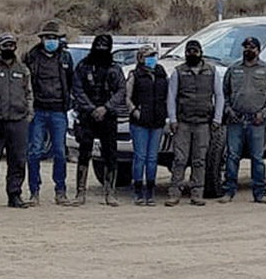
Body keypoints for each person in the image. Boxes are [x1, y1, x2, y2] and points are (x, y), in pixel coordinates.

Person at [218, 36, 266, 204]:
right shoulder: (233, 68)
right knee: (232, 157)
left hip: (256, 121)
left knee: (257, 158)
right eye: (246, 47)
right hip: (236, 120)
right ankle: (229, 191)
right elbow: (225, 93)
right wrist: (229, 110)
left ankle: (260, 193)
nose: (248, 50)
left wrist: (263, 114)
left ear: (258, 50)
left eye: (252, 47)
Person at [165, 39, 224, 207]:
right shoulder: (178, 72)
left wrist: (217, 118)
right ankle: (174, 193)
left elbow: (219, 96)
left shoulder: (212, 71)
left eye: (194, 51)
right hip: (183, 122)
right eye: (189, 52)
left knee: (200, 160)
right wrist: (173, 119)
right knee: (180, 159)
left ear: (201, 53)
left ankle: (197, 194)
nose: (192, 54)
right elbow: (171, 97)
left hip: (204, 123)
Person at [24, 19, 74, 206]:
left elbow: (71, 82)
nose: (51, 41)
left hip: (59, 111)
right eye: (47, 38)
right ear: (42, 39)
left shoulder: (65, 58)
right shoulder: (31, 57)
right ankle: (34, 192)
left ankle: (60, 191)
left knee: (60, 152)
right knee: (34, 152)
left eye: (54, 38)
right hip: (37, 111)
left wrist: (69, 103)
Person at [72, 34, 127, 207]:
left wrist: (106, 108)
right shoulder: (83, 66)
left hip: (108, 116)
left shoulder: (115, 68)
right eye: (99, 45)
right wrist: (91, 108)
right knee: (84, 153)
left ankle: (110, 193)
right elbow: (77, 89)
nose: (101, 49)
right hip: (87, 115)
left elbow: (121, 90)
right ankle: (80, 192)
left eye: (105, 46)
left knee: (111, 154)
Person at [0, 33, 33, 209]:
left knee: (18, 161)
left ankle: (15, 195)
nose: (9, 48)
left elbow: (29, 93)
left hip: (19, 121)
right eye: (5, 45)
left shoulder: (23, 69)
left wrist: (28, 115)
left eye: (12, 45)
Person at [126, 45, 168, 206]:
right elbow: (127, 97)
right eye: (148, 56)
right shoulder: (134, 75)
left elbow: (167, 95)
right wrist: (135, 112)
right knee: (140, 157)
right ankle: (138, 191)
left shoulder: (161, 74)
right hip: (140, 122)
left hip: (157, 121)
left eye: (153, 56)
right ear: (141, 58)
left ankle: (150, 192)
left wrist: (165, 112)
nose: (152, 59)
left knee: (152, 158)